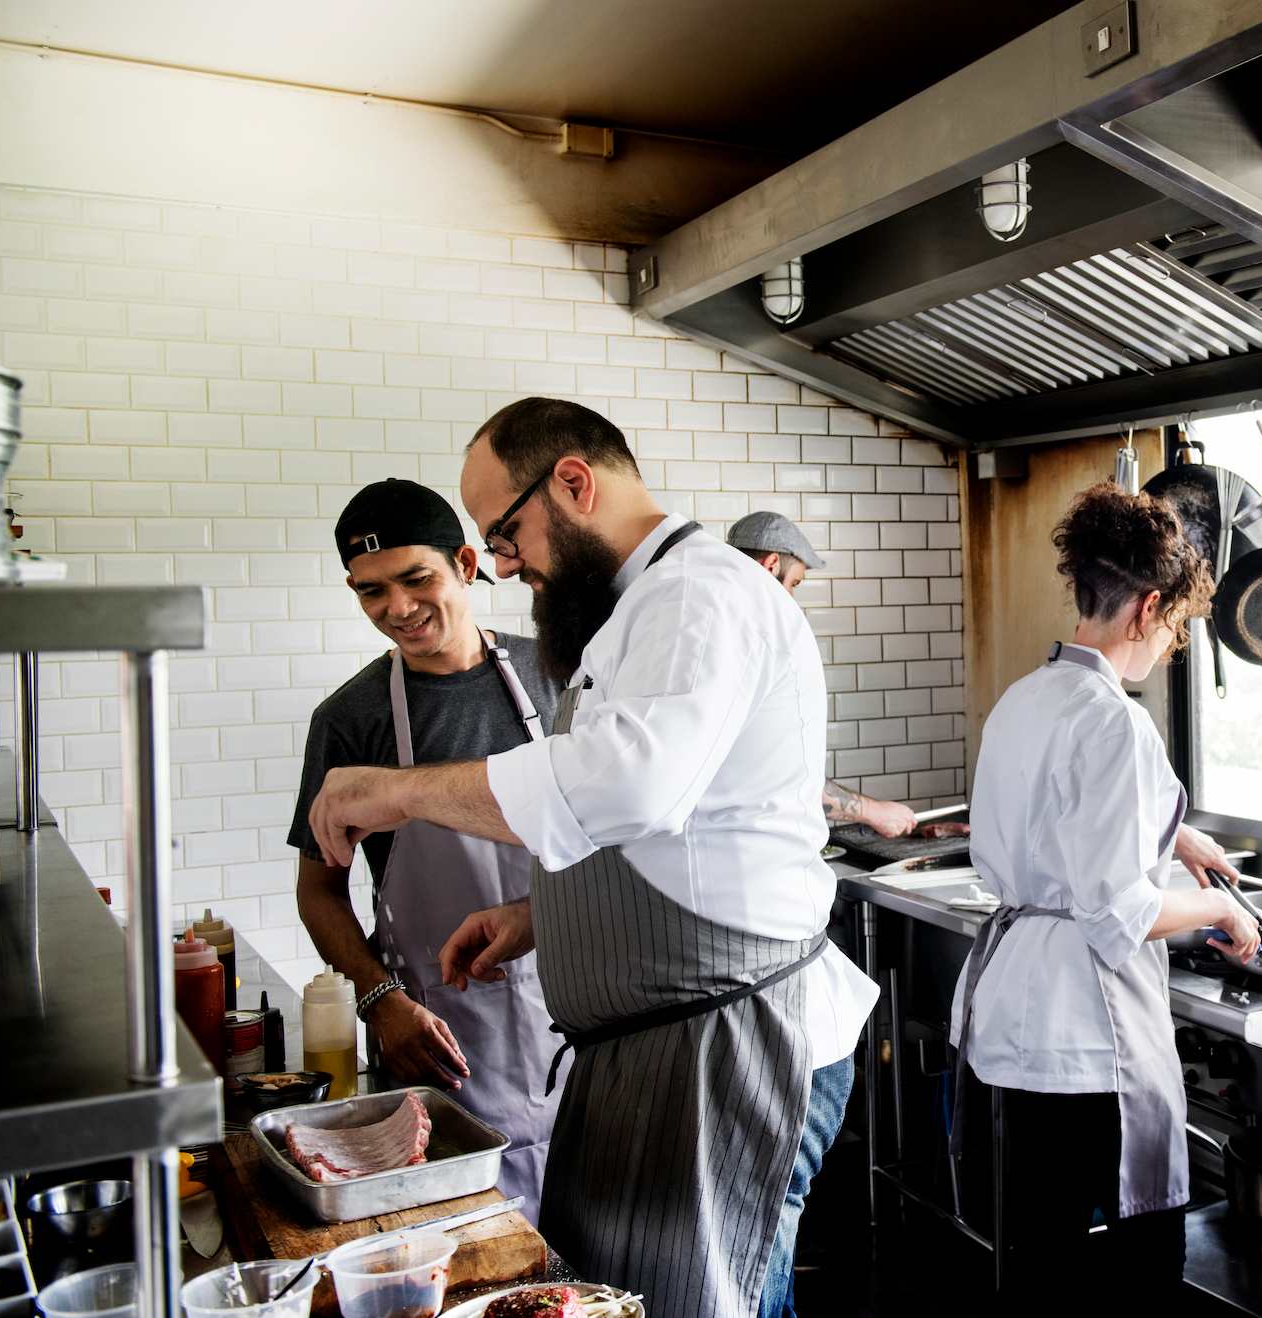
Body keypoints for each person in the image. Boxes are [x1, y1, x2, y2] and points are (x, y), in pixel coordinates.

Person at [304, 398, 875, 1318]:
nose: (503, 563)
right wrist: (543, 917)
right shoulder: (640, 611)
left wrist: (399, 790)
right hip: (662, 1050)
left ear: (574, 482)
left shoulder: (700, 595)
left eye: (507, 532)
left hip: (726, 1044)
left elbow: (627, 787)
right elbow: (672, 829)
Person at [949, 482, 1261, 1303]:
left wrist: (1170, 830)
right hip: (1084, 1045)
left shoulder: (1026, 697)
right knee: (1137, 1276)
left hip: (1009, 1024)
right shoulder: (1117, 721)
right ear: (1147, 607)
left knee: (1037, 1265)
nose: (1169, 645)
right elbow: (1124, 911)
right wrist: (1224, 909)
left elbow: (1046, 834)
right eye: (1176, 628)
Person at [289, 479, 560, 1213]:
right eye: (370, 592)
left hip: (580, 1015)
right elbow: (318, 891)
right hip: (443, 1036)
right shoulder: (351, 718)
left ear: (466, 564)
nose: (398, 610)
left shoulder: (560, 671)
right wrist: (381, 1002)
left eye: (416, 579)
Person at [728, 509, 921, 840]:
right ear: (771, 564)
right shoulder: (756, 644)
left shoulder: (720, 629)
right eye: (795, 584)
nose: (791, 599)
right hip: (753, 852)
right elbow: (781, 773)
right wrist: (873, 811)